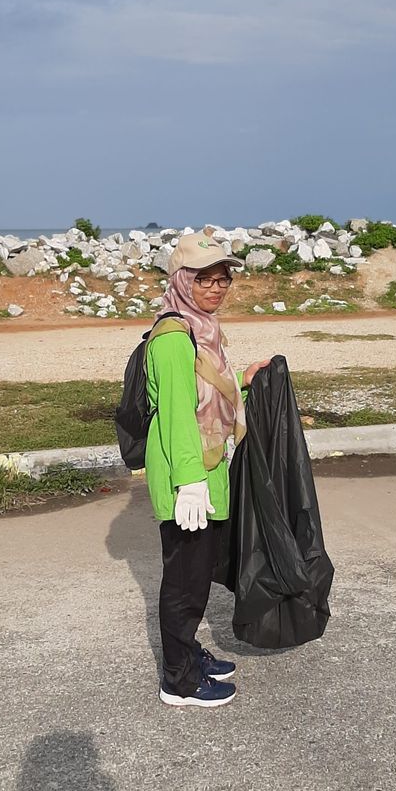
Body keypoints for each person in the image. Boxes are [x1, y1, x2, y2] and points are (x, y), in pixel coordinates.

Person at [144, 231, 270, 709]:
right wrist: (190, 484)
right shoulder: (174, 337)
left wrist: (244, 380)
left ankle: (188, 652)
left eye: (224, 279)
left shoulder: (202, 330)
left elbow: (206, 392)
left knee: (194, 577)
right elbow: (178, 415)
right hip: (186, 475)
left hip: (206, 467)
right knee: (183, 581)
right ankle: (178, 680)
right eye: (205, 279)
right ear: (182, 280)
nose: (216, 288)